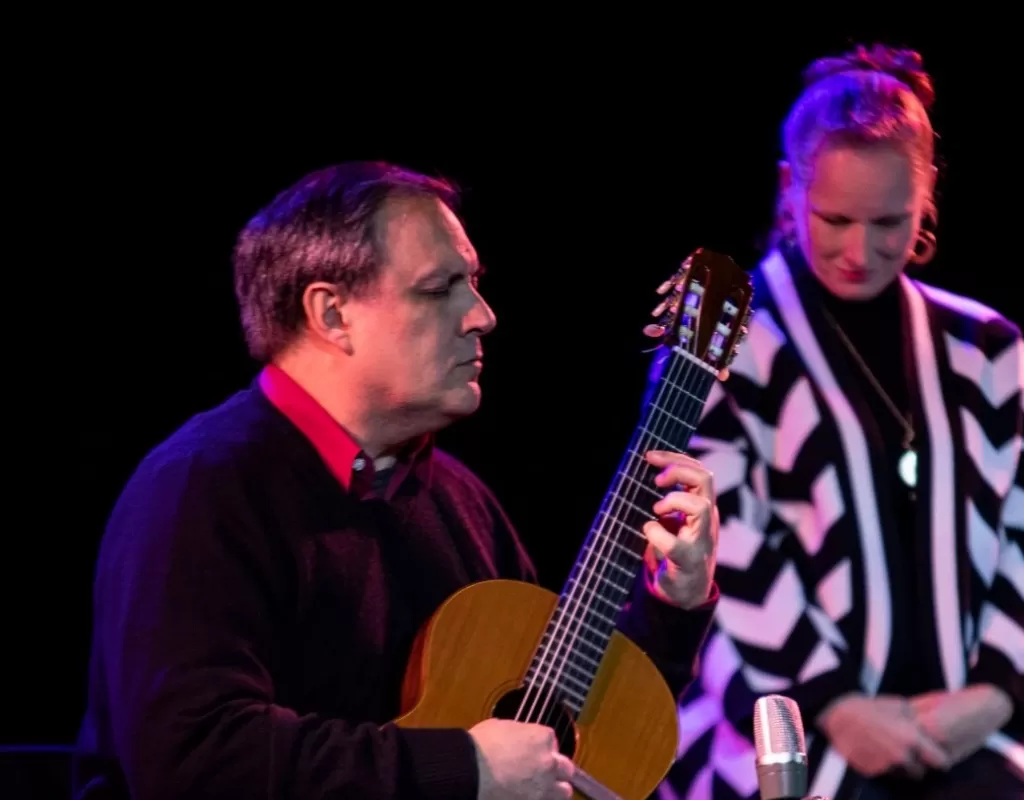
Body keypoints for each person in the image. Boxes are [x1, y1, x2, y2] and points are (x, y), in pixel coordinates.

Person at [72, 161, 721, 799]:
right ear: (332, 315)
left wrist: (673, 604)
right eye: (441, 288)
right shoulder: (202, 489)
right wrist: (459, 765)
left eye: (475, 282)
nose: (483, 315)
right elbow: (196, 760)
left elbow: (576, 738)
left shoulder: (457, 502)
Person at [660, 45, 1024, 800]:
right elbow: (721, 547)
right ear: (791, 191)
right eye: (835, 219)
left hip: (968, 719)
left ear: (927, 201)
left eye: (890, 221)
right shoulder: (730, 346)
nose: (860, 251)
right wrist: (834, 706)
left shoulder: (985, 348)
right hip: (781, 720)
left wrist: (988, 697)